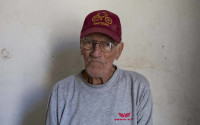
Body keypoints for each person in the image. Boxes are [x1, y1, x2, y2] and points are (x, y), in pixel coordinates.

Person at [45, 10, 153, 125]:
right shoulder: (61, 91)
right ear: (81, 47)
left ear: (119, 50)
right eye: (89, 43)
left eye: (107, 44)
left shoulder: (137, 87)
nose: (95, 53)